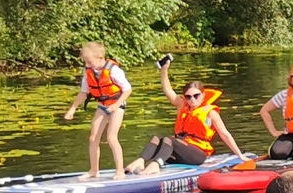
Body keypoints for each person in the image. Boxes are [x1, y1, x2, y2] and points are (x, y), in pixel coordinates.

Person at [128, 57, 243, 173]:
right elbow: (168, 91)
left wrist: (240, 155)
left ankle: (155, 165)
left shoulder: (210, 113)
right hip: (180, 151)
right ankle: (141, 160)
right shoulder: (182, 106)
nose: (192, 100)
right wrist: (164, 70)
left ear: (203, 95)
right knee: (157, 138)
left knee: (170, 140)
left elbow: (225, 134)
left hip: (198, 154)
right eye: (188, 97)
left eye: (196, 96)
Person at [63, 41, 131, 178]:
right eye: (85, 61)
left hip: (117, 105)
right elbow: (83, 92)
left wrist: (116, 105)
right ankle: (94, 170)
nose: (87, 64)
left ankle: (119, 171)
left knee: (111, 137)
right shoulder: (88, 72)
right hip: (102, 105)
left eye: (89, 61)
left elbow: (128, 90)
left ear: (100, 57)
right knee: (93, 138)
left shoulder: (113, 70)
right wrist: (72, 109)